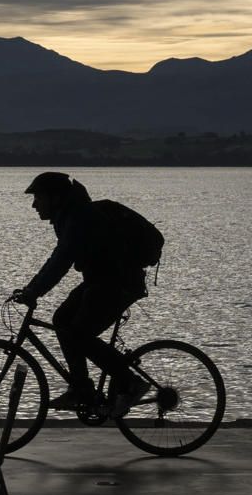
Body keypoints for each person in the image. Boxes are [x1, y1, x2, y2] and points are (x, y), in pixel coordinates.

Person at [12, 171, 153, 411]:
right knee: (62, 320)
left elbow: (62, 260)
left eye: (38, 197)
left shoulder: (79, 218)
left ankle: (131, 382)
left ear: (55, 198)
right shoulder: (70, 217)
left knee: (79, 334)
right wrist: (33, 288)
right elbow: (59, 257)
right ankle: (81, 389)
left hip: (119, 282)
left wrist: (34, 291)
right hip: (101, 280)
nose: (34, 204)